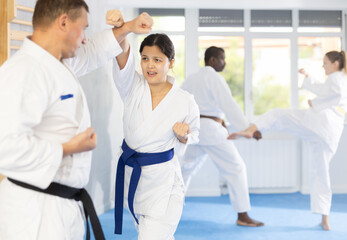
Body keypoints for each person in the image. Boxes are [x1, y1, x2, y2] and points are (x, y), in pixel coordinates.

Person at [0, 1, 148, 239]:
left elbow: (93, 53)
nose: (84, 39)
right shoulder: (24, 70)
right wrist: (69, 148)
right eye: (84, 29)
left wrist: (127, 27)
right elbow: (4, 147)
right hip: (34, 213)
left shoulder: (56, 64)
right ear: (64, 22)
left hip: (60, 206)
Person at [229, 51, 347, 231]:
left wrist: (315, 104)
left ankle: (252, 129)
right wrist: (309, 80)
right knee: (321, 173)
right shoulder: (340, 79)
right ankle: (325, 219)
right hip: (329, 134)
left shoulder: (337, 78)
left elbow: (333, 93)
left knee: (279, 114)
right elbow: (328, 92)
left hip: (320, 123)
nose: (323, 66)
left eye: (325, 63)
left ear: (336, 64)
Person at [111, 15, 200, 240]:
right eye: (145, 58)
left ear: (171, 62)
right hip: (134, 178)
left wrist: (184, 136)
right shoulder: (132, 87)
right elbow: (121, 54)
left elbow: (195, 134)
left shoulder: (184, 100)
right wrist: (120, 28)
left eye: (158, 60)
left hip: (164, 184)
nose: (150, 65)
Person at [179, 46, 264, 227]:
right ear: (212, 60)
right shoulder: (213, 77)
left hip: (193, 129)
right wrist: (248, 128)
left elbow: (180, 103)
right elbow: (229, 104)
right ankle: (242, 215)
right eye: (222, 59)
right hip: (210, 130)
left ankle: (169, 210)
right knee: (236, 168)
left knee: (184, 169)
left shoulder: (191, 79)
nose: (224, 62)